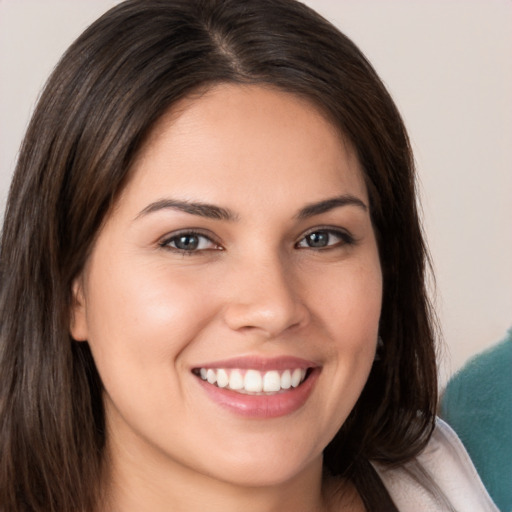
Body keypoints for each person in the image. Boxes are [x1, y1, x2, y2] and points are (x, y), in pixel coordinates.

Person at [0, 1, 498, 511]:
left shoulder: (480, 474)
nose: (273, 307)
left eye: (321, 238)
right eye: (188, 241)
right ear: (69, 289)